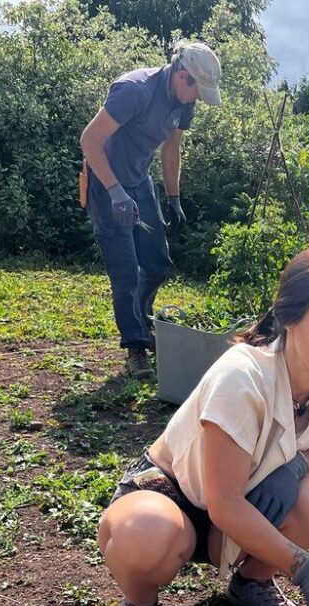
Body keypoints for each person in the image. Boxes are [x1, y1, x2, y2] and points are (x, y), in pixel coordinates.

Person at [96, 244, 309, 606]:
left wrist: (295, 469)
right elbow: (223, 503)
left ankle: (252, 583)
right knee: (144, 534)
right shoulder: (243, 376)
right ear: (290, 317)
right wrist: (306, 570)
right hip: (177, 493)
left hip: (246, 501)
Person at [79, 42, 222, 380]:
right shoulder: (135, 91)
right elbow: (89, 140)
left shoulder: (183, 104)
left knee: (157, 264)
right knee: (126, 270)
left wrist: (173, 197)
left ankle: (142, 320)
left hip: (140, 183)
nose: (199, 98)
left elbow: (171, 149)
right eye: (197, 90)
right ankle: (135, 347)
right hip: (106, 182)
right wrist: (114, 191)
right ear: (182, 76)